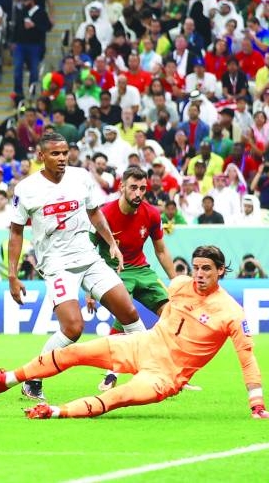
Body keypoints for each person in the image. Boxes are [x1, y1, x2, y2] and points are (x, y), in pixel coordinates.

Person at [0, 245, 269, 420]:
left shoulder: (231, 312)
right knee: (74, 351)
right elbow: (148, 306)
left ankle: (55, 411)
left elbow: (247, 358)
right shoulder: (179, 286)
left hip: (165, 375)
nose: (199, 275)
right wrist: (97, 294)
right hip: (141, 344)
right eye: (197, 268)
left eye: (207, 270)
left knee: (117, 396)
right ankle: (7, 380)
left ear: (221, 272)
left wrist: (257, 404)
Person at [7, 131, 146, 401]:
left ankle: (153, 368)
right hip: (57, 265)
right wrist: (12, 275)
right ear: (41, 156)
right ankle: (33, 378)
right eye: (55, 154)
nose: (62, 158)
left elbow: (95, 213)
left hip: (88, 257)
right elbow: (15, 233)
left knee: (128, 311)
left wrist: (112, 245)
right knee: (73, 328)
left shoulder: (81, 177)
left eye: (65, 152)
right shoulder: (26, 189)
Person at [90, 166, 177, 391]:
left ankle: (171, 370)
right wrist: (89, 289)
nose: (138, 193)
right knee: (126, 313)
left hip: (142, 270)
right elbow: (88, 252)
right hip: (114, 272)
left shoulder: (152, 214)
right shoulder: (103, 215)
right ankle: (112, 372)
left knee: (173, 313)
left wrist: (176, 282)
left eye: (142, 189)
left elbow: (161, 250)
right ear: (121, 187)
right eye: (133, 188)